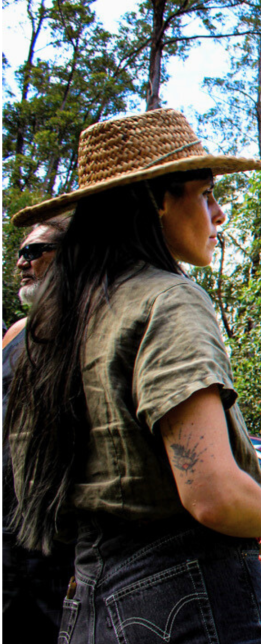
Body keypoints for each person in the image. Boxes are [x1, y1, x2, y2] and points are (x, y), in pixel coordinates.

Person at [5, 108, 261, 644]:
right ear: (157, 200)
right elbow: (211, 492)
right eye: (205, 194)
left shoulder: (60, 320)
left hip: (89, 599)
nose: (218, 214)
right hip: (187, 600)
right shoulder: (169, 299)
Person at [3, 218, 76, 643]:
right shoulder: (16, 332)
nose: (21, 262)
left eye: (35, 251)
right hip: (6, 531)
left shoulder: (87, 325)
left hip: (55, 539)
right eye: (20, 252)